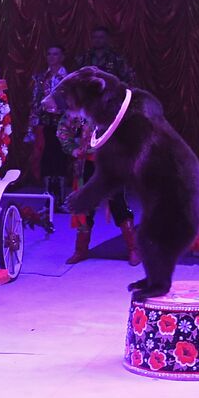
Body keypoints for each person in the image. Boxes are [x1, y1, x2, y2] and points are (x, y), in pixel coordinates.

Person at [69, 26, 140, 266]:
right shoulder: (78, 108)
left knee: (117, 201)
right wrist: (73, 148)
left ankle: (133, 249)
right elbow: (63, 130)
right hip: (86, 162)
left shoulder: (114, 110)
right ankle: (81, 250)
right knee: (85, 203)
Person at [27, 45, 70, 203]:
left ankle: (61, 196)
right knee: (46, 154)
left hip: (64, 123)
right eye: (49, 54)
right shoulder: (40, 78)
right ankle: (47, 194)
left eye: (56, 54)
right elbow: (35, 101)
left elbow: (73, 101)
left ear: (62, 56)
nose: (52, 57)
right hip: (45, 123)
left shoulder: (68, 78)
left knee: (61, 156)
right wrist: (32, 124)